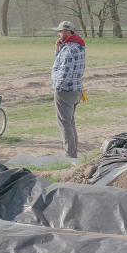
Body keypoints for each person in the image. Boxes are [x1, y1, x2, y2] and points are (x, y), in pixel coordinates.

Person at [52, 21, 86, 159]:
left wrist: (58, 87)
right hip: (76, 90)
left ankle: (70, 156)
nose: (58, 34)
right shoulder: (78, 46)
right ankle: (73, 153)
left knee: (65, 124)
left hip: (65, 91)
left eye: (60, 31)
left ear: (67, 32)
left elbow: (65, 70)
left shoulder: (68, 49)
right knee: (70, 123)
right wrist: (57, 49)